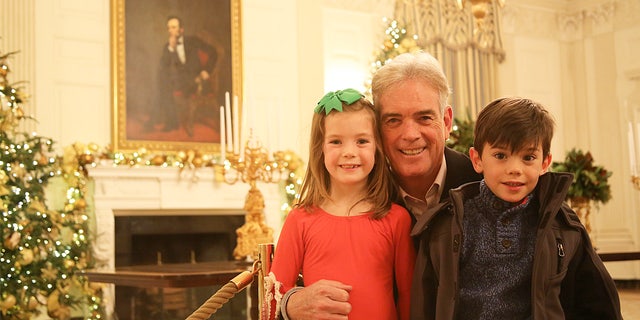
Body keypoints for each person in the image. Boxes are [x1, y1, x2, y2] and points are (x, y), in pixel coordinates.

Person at [281, 51, 482, 319]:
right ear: (378, 131)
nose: (410, 135)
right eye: (393, 120)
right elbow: (280, 288)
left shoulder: (484, 186)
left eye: (424, 117)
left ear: (446, 122)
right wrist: (290, 304)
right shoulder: (364, 193)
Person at [411, 97, 622, 319]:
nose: (514, 169)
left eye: (528, 157)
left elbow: (596, 301)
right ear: (477, 160)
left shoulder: (562, 225)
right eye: (500, 156)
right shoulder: (446, 224)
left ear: (544, 163)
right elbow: (424, 305)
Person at [265, 89, 416, 320]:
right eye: (336, 141)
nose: (349, 152)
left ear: (377, 147)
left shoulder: (396, 219)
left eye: (362, 141)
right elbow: (274, 296)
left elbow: (409, 298)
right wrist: (293, 304)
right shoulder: (300, 219)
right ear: (321, 149)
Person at [148, 15, 218, 137]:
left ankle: (160, 121)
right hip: (181, 81)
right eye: (169, 28)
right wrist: (171, 48)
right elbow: (163, 67)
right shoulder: (167, 46)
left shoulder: (193, 41)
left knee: (163, 83)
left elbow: (213, 52)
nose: (170, 31)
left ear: (181, 30)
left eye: (174, 27)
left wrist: (207, 70)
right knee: (162, 79)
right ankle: (168, 121)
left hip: (197, 80)